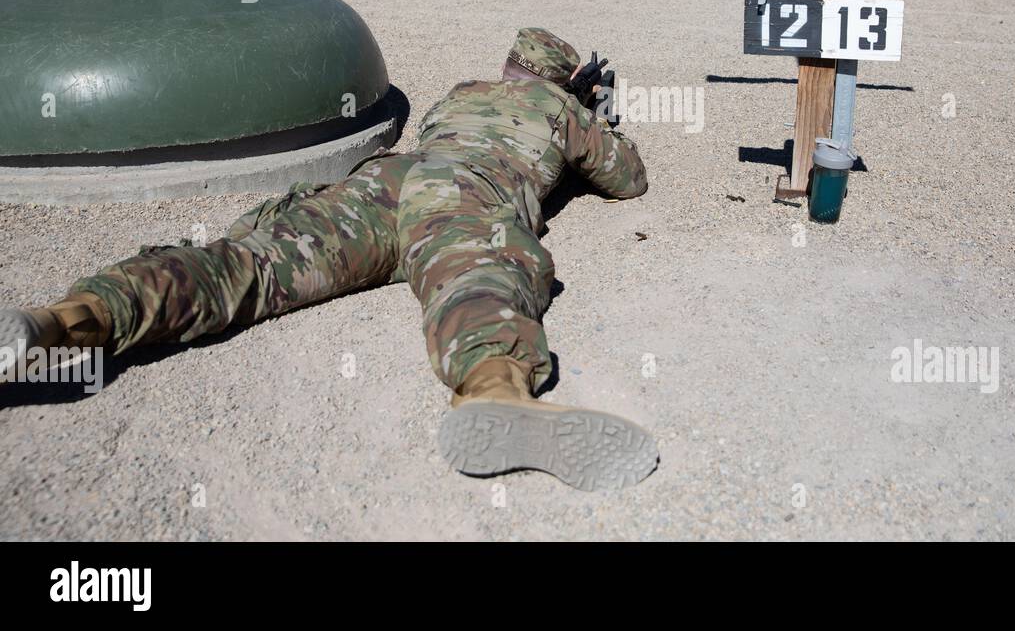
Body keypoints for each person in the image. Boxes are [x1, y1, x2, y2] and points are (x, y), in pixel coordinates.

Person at [0, 28, 657, 491]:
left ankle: (63, 319)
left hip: (386, 181)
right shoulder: (557, 108)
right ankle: (495, 392)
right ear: (557, 81)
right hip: (464, 190)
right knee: (475, 278)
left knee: (252, 264)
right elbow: (628, 178)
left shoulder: (461, 92)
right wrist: (591, 115)